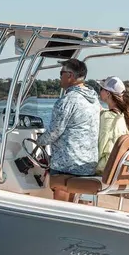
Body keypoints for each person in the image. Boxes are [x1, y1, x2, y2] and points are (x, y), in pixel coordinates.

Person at [36, 59, 100, 199]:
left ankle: (59, 209)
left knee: (60, 192)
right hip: (88, 164)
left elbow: (54, 133)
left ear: (70, 75)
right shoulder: (94, 100)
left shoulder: (67, 101)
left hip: (67, 166)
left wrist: (38, 141)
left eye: (61, 73)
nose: (59, 77)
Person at [95, 76, 129, 175]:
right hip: (123, 167)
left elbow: (101, 146)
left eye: (101, 89)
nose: (99, 91)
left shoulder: (108, 117)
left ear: (108, 93)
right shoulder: (126, 116)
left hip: (106, 168)